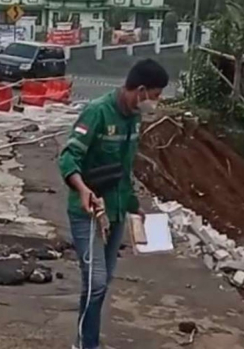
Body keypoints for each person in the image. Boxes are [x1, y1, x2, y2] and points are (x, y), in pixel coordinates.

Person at [58, 59, 169, 349]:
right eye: (155, 96)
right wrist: (81, 189)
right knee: (96, 282)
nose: (156, 103)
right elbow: (69, 157)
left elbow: (125, 168)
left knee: (100, 283)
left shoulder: (133, 117)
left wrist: (134, 205)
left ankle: (84, 341)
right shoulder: (97, 112)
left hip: (116, 213)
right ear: (141, 90)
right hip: (90, 212)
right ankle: (87, 345)